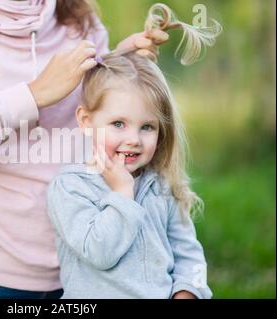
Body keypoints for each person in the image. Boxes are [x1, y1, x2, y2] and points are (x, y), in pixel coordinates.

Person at [0, 0, 168, 299]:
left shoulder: (78, 16)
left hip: (85, 271)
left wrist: (117, 66)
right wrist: (33, 94)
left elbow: (91, 113)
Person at [46, 50, 213, 299]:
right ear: (86, 121)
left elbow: (188, 253)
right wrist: (123, 194)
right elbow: (99, 252)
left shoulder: (161, 186)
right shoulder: (70, 188)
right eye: (118, 124)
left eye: (147, 127)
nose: (133, 140)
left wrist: (188, 291)